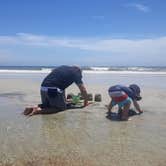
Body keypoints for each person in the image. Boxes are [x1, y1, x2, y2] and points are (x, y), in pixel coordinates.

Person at [24, 65, 89, 116]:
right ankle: (38, 111)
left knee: (48, 106)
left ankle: (33, 107)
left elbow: (60, 85)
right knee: (61, 108)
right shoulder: (76, 73)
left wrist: (64, 100)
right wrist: (86, 103)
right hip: (53, 90)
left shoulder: (63, 67)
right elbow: (83, 89)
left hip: (43, 88)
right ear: (79, 71)